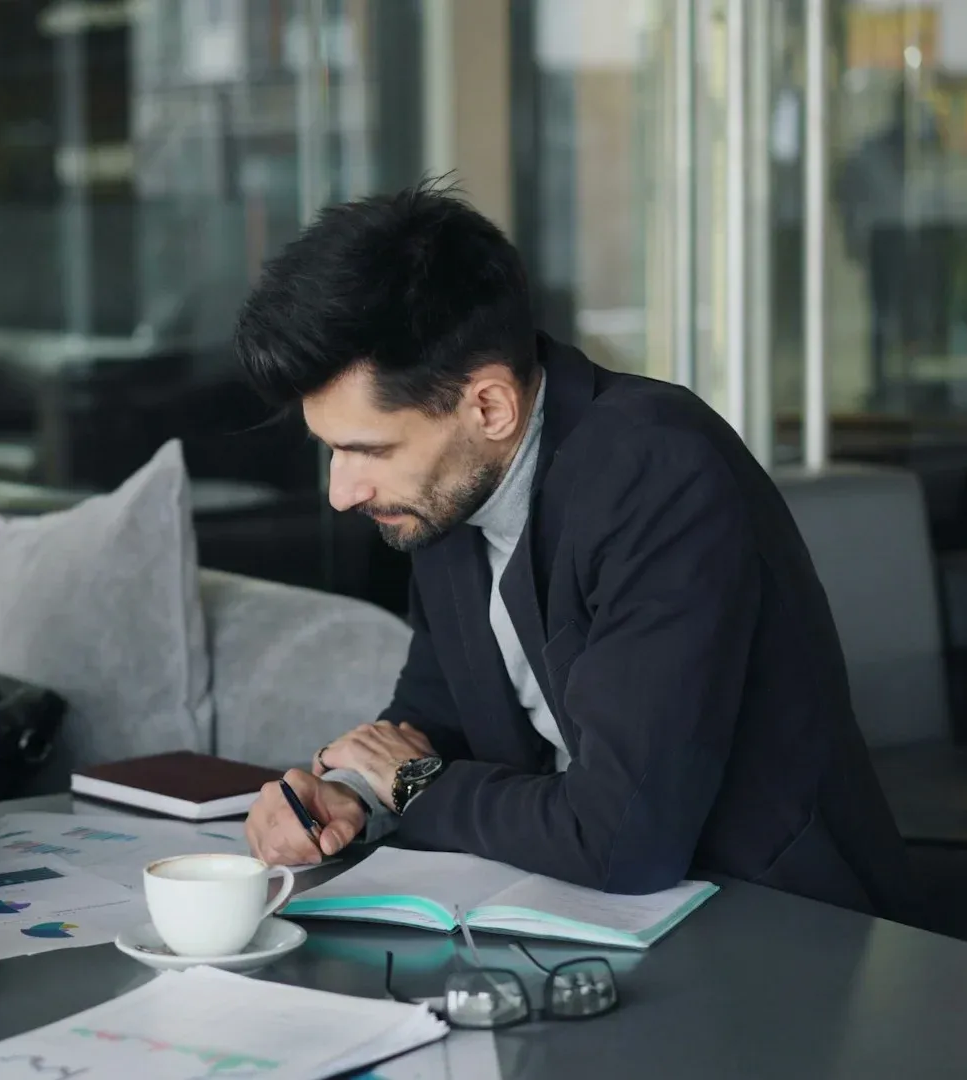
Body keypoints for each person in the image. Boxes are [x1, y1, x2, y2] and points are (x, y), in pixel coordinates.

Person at [235, 179, 920, 924]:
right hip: (577, 912)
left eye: (367, 450)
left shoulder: (654, 474)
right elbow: (436, 714)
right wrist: (353, 795)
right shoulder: (446, 489)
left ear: (489, 406)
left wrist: (418, 784)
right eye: (331, 451)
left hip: (777, 927)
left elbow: (625, 836)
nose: (343, 492)